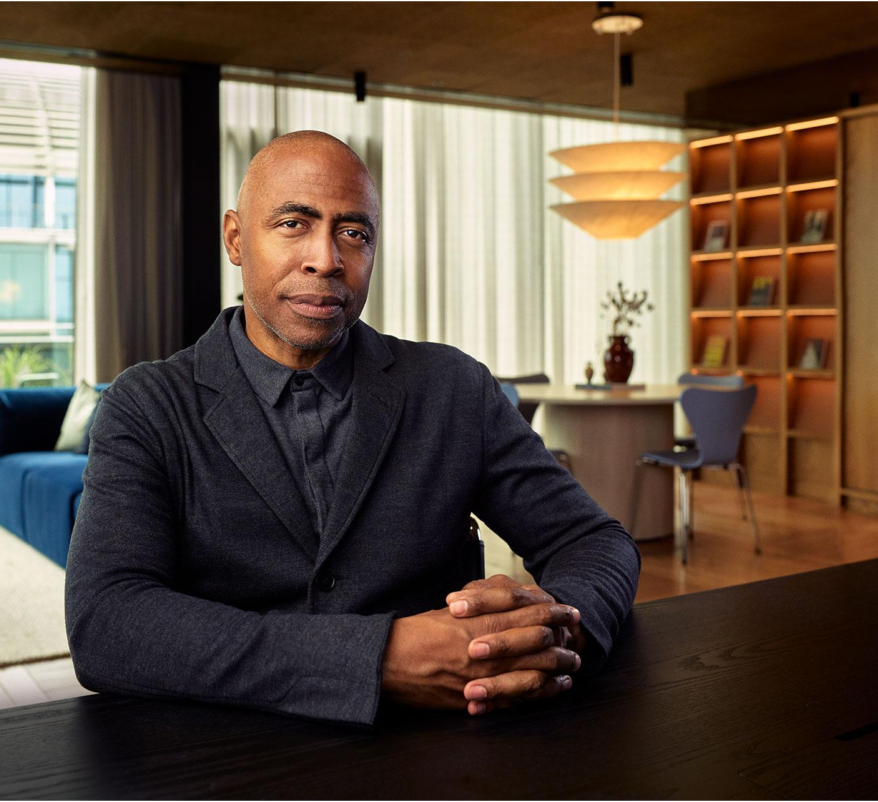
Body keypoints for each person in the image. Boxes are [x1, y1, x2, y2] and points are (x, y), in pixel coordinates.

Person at [65, 130, 641, 727]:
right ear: (236, 239)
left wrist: (543, 641)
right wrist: (379, 660)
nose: (327, 258)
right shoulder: (147, 404)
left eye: (354, 233)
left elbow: (595, 543)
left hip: (440, 756)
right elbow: (107, 622)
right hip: (226, 759)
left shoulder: (453, 387)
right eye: (293, 223)